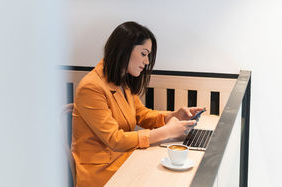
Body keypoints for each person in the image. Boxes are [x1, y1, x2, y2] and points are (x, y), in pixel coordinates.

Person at [71, 21, 203, 187]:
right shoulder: (91, 87)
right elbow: (115, 139)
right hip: (102, 173)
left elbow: (141, 114)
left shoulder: (122, 81)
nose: (147, 61)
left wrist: (172, 116)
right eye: (143, 53)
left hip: (125, 158)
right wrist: (166, 131)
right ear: (125, 49)